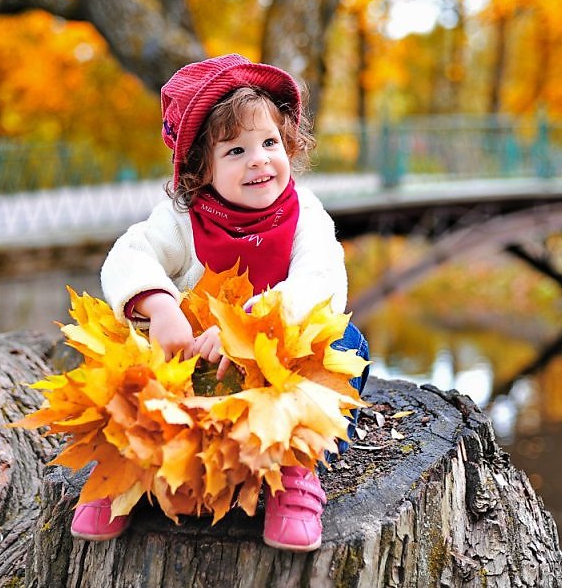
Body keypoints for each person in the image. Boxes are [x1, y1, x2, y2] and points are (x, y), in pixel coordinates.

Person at [70, 53, 369, 552]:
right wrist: (160, 305)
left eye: (270, 143)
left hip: (275, 366)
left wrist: (249, 331)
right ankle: (122, 471)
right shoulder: (182, 217)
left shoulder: (306, 216)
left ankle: (296, 470)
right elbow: (130, 255)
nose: (259, 159)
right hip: (189, 363)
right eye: (235, 151)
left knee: (342, 343)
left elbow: (323, 279)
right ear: (200, 168)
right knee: (121, 357)